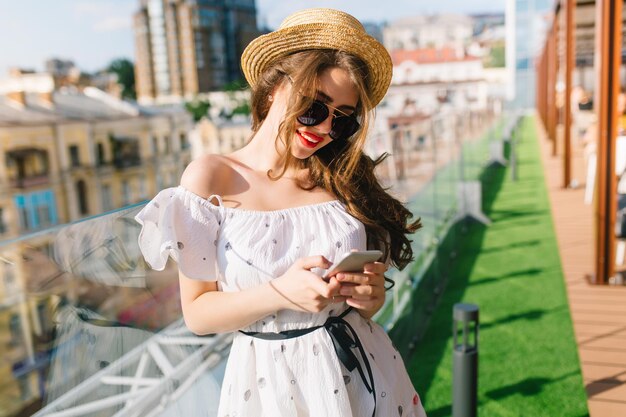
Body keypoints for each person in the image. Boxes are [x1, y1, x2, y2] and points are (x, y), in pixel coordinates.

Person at [135, 8, 427, 417]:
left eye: (342, 119)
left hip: (365, 369)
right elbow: (198, 314)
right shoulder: (209, 180)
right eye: (315, 106)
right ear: (274, 86)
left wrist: (369, 297)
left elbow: (359, 305)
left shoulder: (339, 178)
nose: (324, 128)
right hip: (267, 385)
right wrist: (279, 293)